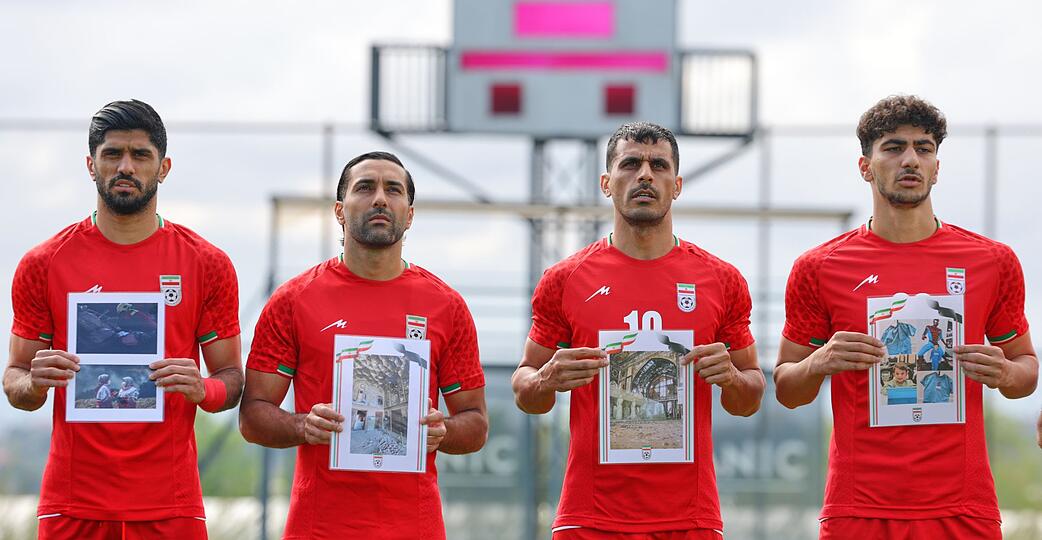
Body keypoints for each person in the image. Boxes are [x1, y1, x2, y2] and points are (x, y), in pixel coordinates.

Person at [774, 95, 1037, 539]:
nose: (910, 159)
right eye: (894, 147)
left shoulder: (992, 261)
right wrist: (819, 363)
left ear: (937, 166)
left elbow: (1026, 373)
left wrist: (1005, 371)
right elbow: (787, 390)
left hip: (963, 507)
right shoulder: (819, 266)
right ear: (865, 166)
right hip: (858, 508)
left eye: (924, 147)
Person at [2, 100, 243, 540]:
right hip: (72, 504)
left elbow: (231, 381)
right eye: (112, 154)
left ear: (163, 167)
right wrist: (33, 383)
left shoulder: (207, 264)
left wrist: (201, 387)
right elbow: (17, 382)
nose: (125, 166)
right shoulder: (44, 263)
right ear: (91, 165)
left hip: (170, 505)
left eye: (140, 155)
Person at [511, 122, 764, 539]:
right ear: (606, 183)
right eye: (630, 164)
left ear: (677, 184)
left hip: (689, 518)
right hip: (589, 516)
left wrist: (732, 378)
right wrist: (546, 378)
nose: (645, 174)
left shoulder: (721, 280)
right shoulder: (565, 279)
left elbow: (749, 399)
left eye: (658, 165)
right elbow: (526, 392)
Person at [239, 151, 489, 540]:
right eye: (365, 187)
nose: (379, 199)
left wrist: (443, 430)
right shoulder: (294, 300)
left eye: (393, 190)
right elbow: (252, 416)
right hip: (319, 526)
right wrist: (303, 425)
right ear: (339, 210)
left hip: (415, 527)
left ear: (409, 214)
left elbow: (475, 424)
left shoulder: (446, 306)